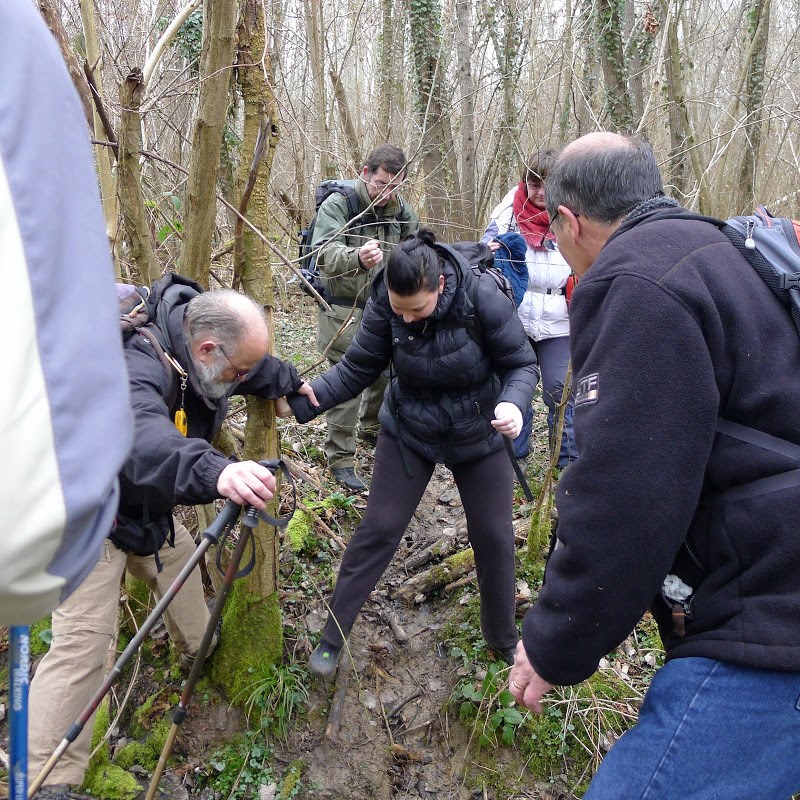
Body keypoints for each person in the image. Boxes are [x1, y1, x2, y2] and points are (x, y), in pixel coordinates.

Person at [509, 132, 800, 798]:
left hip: (767, 622)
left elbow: (625, 495)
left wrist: (556, 643)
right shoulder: (720, 251)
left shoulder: (635, 280)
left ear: (570, 223)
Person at [28, 284, 318, 799]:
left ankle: (197, 659)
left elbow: (249, 367)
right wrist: (217, 472)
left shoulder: (204, 346)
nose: (242, 382)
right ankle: (47, 781)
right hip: (88, 516)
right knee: (82, 650)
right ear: (207, 350)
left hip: (150, 518)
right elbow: (135, 434)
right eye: (239, 373)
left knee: (194, 615)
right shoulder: (135, 362)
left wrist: (286, 382)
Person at [290, 228, 539, 678]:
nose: (404, 319)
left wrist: (514, 403)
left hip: (478, 428)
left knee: (494, 535)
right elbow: (359, 365)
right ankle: (333, 635)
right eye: (397, 309)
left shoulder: (479, 294)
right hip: (410, 428)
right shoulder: (388, 298)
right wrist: (306, 399)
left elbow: (521, 362)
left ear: (440, 286)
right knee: (380, 528)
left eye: (415, 309)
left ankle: (502, 637)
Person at [0, 0, 133, 625]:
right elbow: (154, 442)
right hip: (78, 529)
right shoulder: (16, 42)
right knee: (82, 640)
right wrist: (214, 472)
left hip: (128, 516)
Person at [312, 144, 419, 490]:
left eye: (395, 185)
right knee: (347, 383)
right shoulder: (340, 204)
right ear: (365, 173)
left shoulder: (403, 213)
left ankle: (373, 430)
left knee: (385, 373)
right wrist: (356, 257)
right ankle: (340, 458)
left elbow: (417, 254)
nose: (387, 193)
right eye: (381, 183)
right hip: (343, 307)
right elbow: (322, 254)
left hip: (384, 307)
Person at [482, 150, 577, 467]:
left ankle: (564, 460)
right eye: (533, 183)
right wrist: (487, 251)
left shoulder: (573, 213)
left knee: (557, 387)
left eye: (547, 185)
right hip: (516, 316)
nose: (539, 192)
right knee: (512, 384)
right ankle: (513, 455)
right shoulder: (508, 211)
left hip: (558, 318)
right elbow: (484, 252)